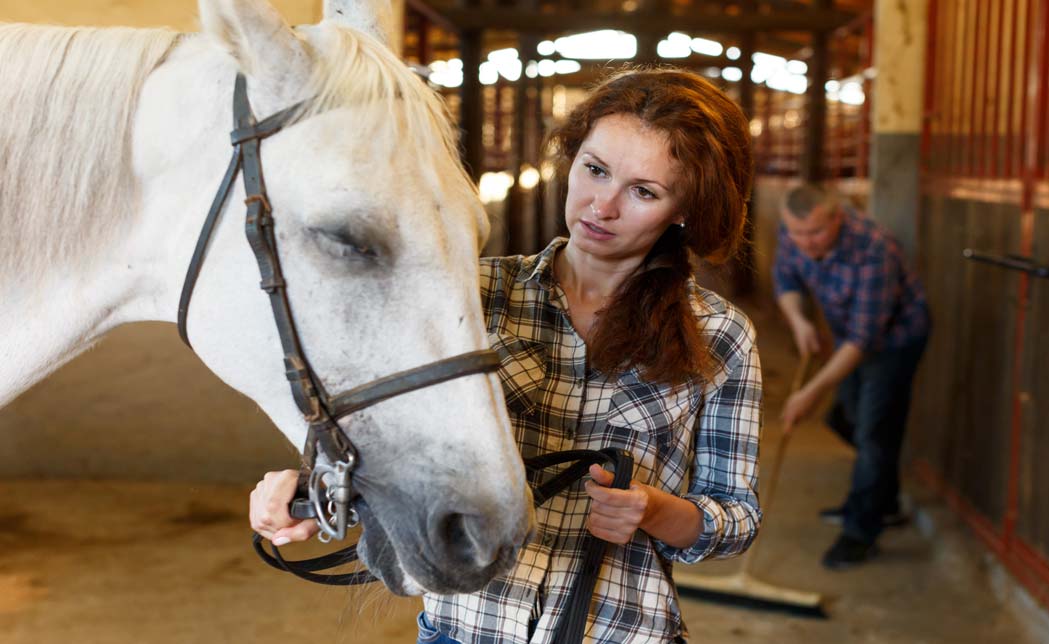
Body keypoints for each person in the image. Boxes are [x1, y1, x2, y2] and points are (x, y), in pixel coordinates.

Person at [250, 68, 763, 643]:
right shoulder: (472, 292)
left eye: (643, 191)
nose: (603, 205)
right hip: (461, 630)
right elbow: (391, 452)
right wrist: (305, 489)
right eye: (595, 171)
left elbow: (735, 517)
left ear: (685, 209)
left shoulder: (720, 334)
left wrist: (654, 511)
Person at [774, 183, 929, 570]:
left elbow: (864, 340)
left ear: (837, 218)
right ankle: (885, 500)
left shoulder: (874, 249)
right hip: (847, 336)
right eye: (797, 233)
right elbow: (787, 279)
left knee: (873, 433)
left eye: (816, 233)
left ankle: (861, 531)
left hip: (894, 341)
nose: (805, 243)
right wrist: (798, 323)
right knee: (847, 420)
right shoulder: (791, 231)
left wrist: (810, 391)